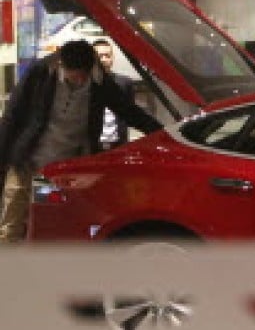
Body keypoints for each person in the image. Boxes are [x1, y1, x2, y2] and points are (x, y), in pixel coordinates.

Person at [0, 39, 162, 242]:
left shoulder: (99, 80)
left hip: (63, 169)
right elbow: (13, 114)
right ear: (61, 65)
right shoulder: (40, 72)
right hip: (27, 160)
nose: (78, 81)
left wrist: (161, 133)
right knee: (11, 223)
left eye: (82, 77)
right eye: (73, 76)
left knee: (50, 224)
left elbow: (128, 111)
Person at [93, 38, 134, 150]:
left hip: (118, 144)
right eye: (100, 56)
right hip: (93, 145)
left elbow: (129, 115)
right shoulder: (86, 84)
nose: (104, 60)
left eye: (108, 55)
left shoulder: (124, 83)